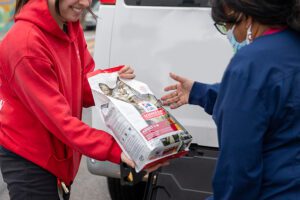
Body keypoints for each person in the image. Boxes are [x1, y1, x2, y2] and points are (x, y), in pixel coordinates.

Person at [0, 1, 162, 200]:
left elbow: (81, 88)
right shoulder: (25, 44)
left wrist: (111, 81)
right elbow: (61, 122)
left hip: (59, 153)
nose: (85, 3)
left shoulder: (68, 23)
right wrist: (116, 149)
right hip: (31, 158)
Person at [161, 0, 300, 199]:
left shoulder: (251, 63)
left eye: (228, 26)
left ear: (246, 17)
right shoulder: (290, 48)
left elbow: (238, 167)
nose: (231, 35)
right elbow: (275, 102)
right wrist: (199, 92)